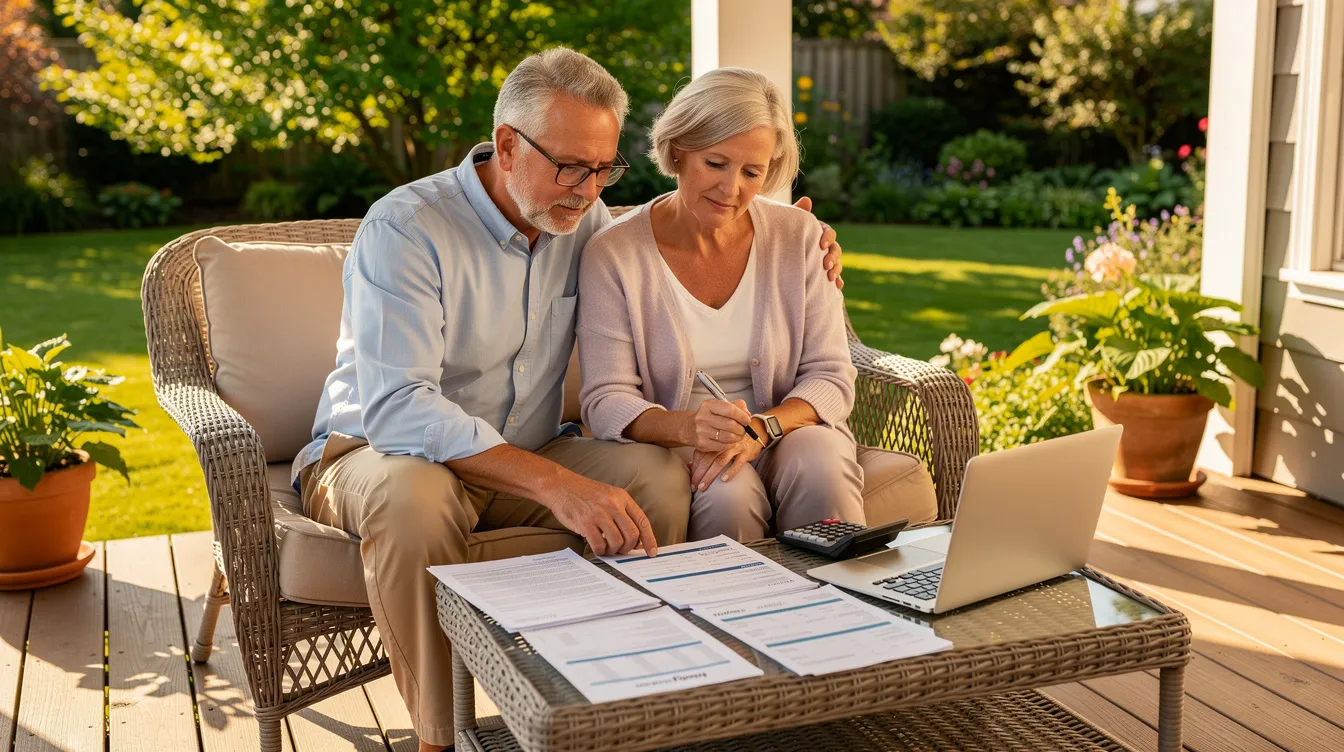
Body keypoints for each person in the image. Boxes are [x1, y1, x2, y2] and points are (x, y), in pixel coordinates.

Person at [292, 50, 846, 751]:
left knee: (658, 477)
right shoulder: (407, 229)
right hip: (375, 453)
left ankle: (636, 702)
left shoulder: (581, 224)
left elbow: (691, 227)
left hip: (526, 446)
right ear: (505, 146)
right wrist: (557, 485)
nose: (587, 191)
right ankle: (441, 737)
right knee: (414, 498)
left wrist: (812, 236)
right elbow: (400, 406)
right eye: (569, 167)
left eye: (602, 169)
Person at [578, 67, 867, 542]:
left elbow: (832, 377)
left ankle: (843, 604)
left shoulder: (800, 238)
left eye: (752, 172)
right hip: (684, 442)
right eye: (715, 164)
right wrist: (692, 429)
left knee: (822, 465)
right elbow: (606, 401)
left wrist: (761, 427)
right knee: (727, 491)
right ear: (678, 151)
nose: (731, 189)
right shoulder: (614, 254)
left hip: (784, 427)